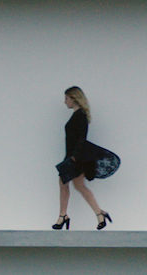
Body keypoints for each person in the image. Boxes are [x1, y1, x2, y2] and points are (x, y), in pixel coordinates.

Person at [52, 86, 113, 230]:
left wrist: (74, 157)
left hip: (76, 157)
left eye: (66, 98)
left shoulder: (80, 116)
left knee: (67, 183)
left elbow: (81, 138)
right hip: (73, 156)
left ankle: (63, 216)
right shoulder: (77, 115)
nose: (65, 102)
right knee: (75, 185)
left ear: (74, 98)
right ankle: (98, 214)